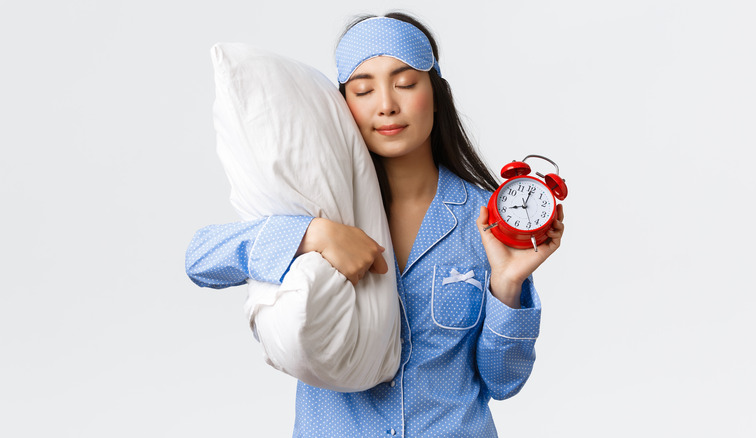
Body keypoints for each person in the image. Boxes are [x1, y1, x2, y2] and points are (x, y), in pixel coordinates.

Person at [186, 12, 564, 437]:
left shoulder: (484, 217)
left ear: (435, 93)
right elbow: (200, 259)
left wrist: (508, 285)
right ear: (343, 104)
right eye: (363, 89)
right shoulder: (324, 205)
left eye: (405, 83)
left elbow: (503, 381)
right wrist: (313, 234)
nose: (386, 103)